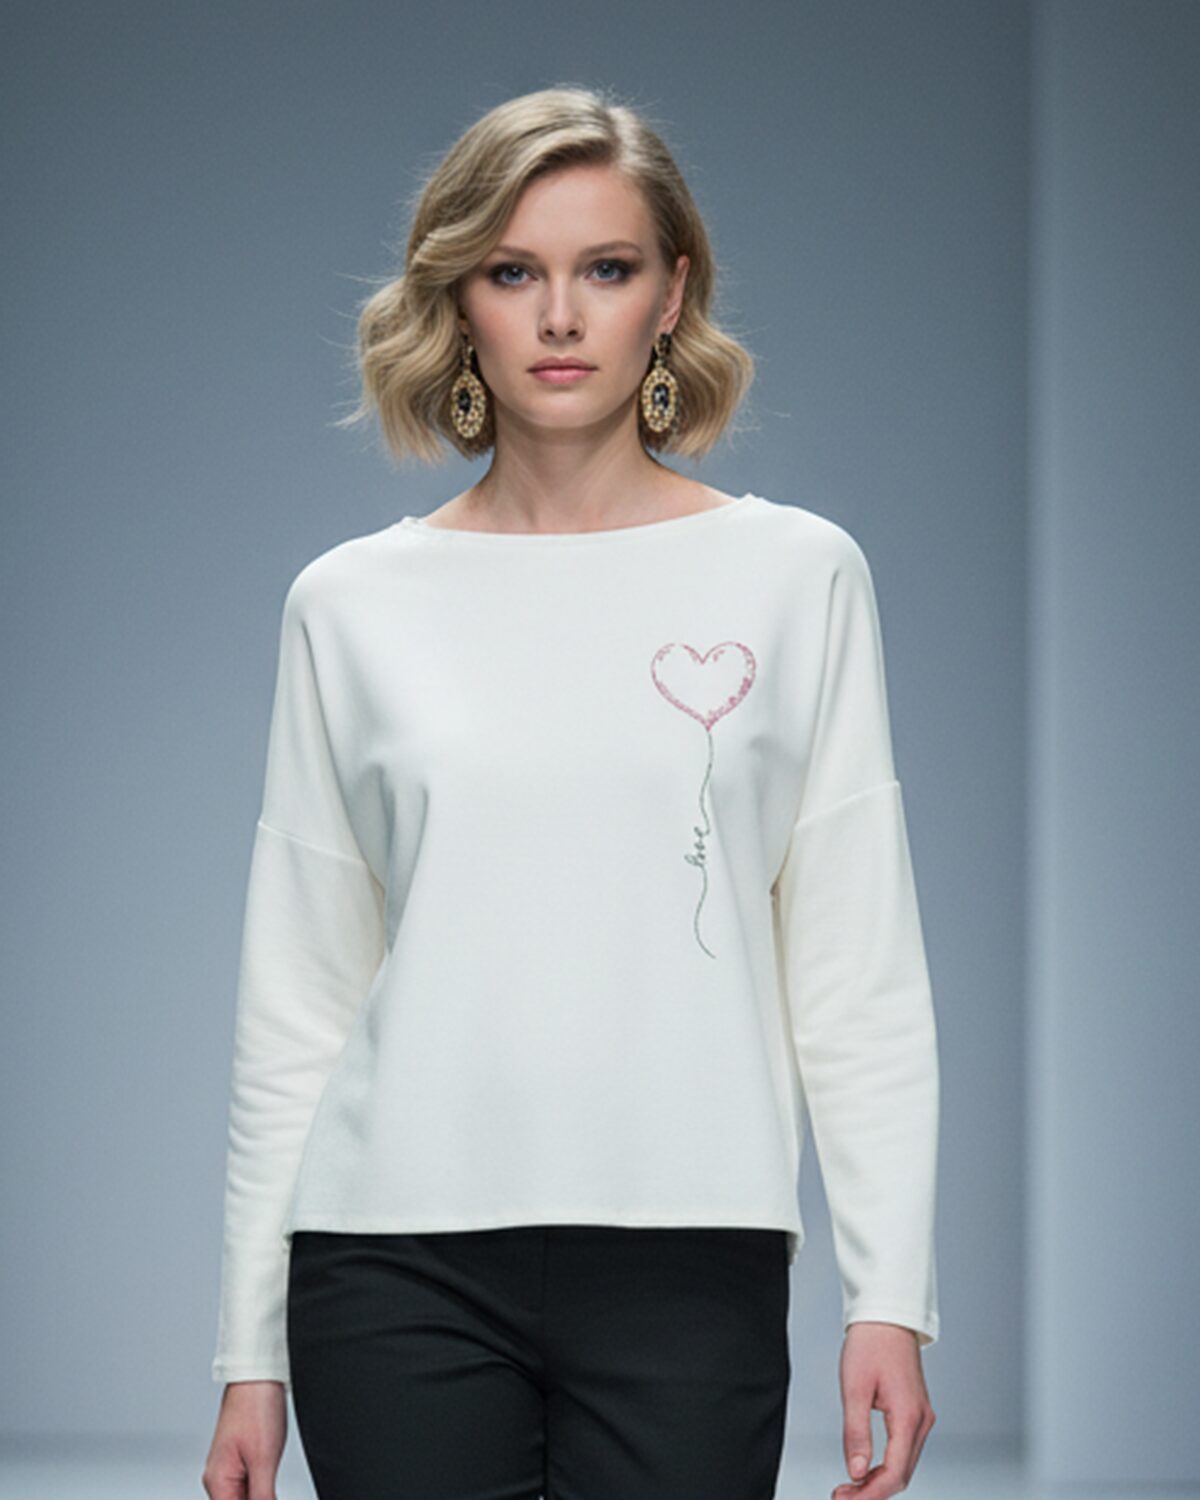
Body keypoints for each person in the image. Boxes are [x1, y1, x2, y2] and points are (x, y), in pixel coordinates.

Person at [202, 83, 940, 1500]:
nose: (558, 316)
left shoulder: (798, 579)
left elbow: (858, 976)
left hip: (694, 1251)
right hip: (390, 1260)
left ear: (673, 294)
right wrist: (249, 1351)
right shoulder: (350, 604)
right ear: (457, 300)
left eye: (604, 269)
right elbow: (298, 998)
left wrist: (890, 1295)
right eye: (511, 272)